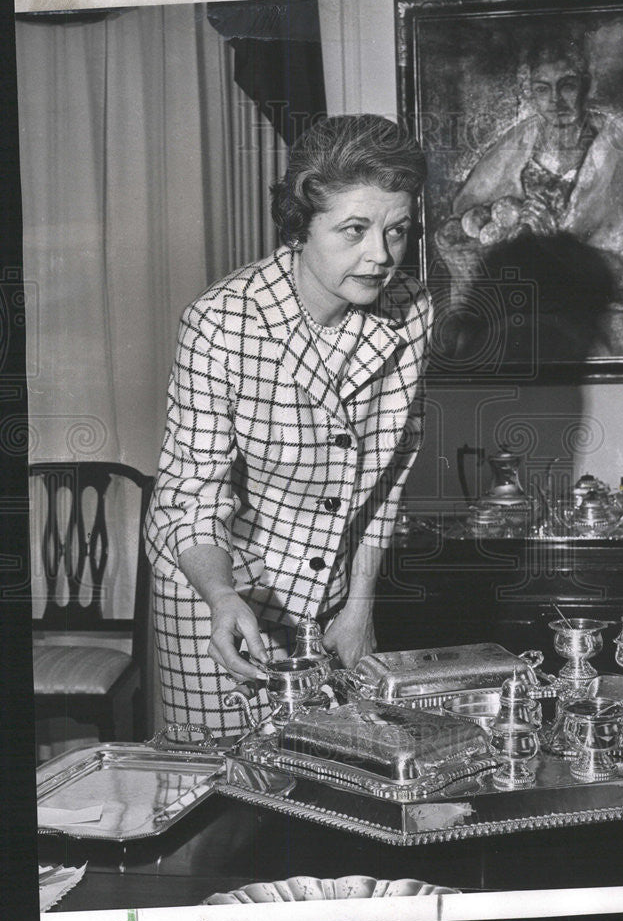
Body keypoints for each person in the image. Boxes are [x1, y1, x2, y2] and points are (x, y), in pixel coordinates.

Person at [144, 114, 432, 735]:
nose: (380, 255)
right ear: (300, 226)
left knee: (325, 780)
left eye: (397, 231)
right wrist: (222, 598)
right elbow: (189, 499)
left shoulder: (411, 312)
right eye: (353, 230)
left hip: (331, 594)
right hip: (216, 592)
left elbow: (388, 477)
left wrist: (359, 607)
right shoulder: (222, 322)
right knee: (221, 793)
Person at [436, 36, 623, 356]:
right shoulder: (522, 139)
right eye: (542, 88)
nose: (555, 100)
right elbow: (470, 207)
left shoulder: (615, 154)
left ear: (585, 86)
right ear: (531, 93)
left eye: (566, 85)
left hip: (597, 305)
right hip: (523, 297)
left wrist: (557, 243)